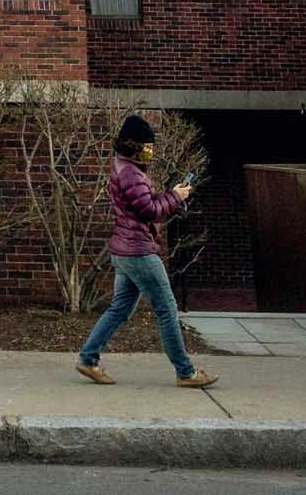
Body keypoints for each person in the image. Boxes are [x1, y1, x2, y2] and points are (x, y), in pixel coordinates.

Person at [75, 113, 216, 388]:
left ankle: (88, 359)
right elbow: (149, 211)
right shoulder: (131, 173)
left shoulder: (124, 167)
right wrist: (175, 196)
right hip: (138, 251)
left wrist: (171, 195)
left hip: (125, 249)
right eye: (148, 145)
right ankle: (186, 372)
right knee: (167, 309)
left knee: (119, 310)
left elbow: (143, 204)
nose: (152, 150)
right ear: (135, 145)